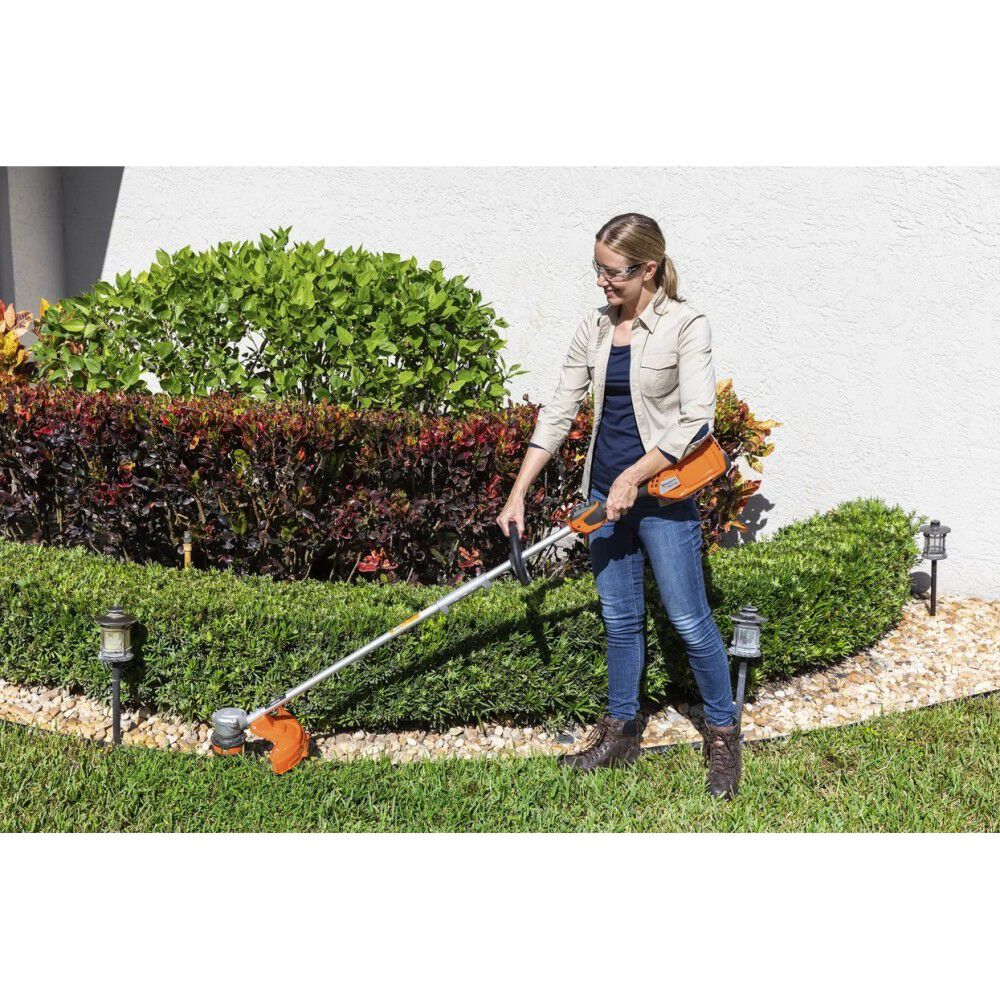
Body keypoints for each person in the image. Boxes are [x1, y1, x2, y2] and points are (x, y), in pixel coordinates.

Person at [495, 212, 741, 799]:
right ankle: (621, 732)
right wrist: (518, 490)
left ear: (648, 269)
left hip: (660, 496)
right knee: (620, 617)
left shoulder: (686, 326)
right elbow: (560, 409)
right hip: (604, 494)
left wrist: (633, 476)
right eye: (597, 270)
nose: (602, 282)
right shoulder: (595, 326)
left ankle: (724, 732)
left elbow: (697, 420)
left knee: (688, 618)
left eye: (614, 272)